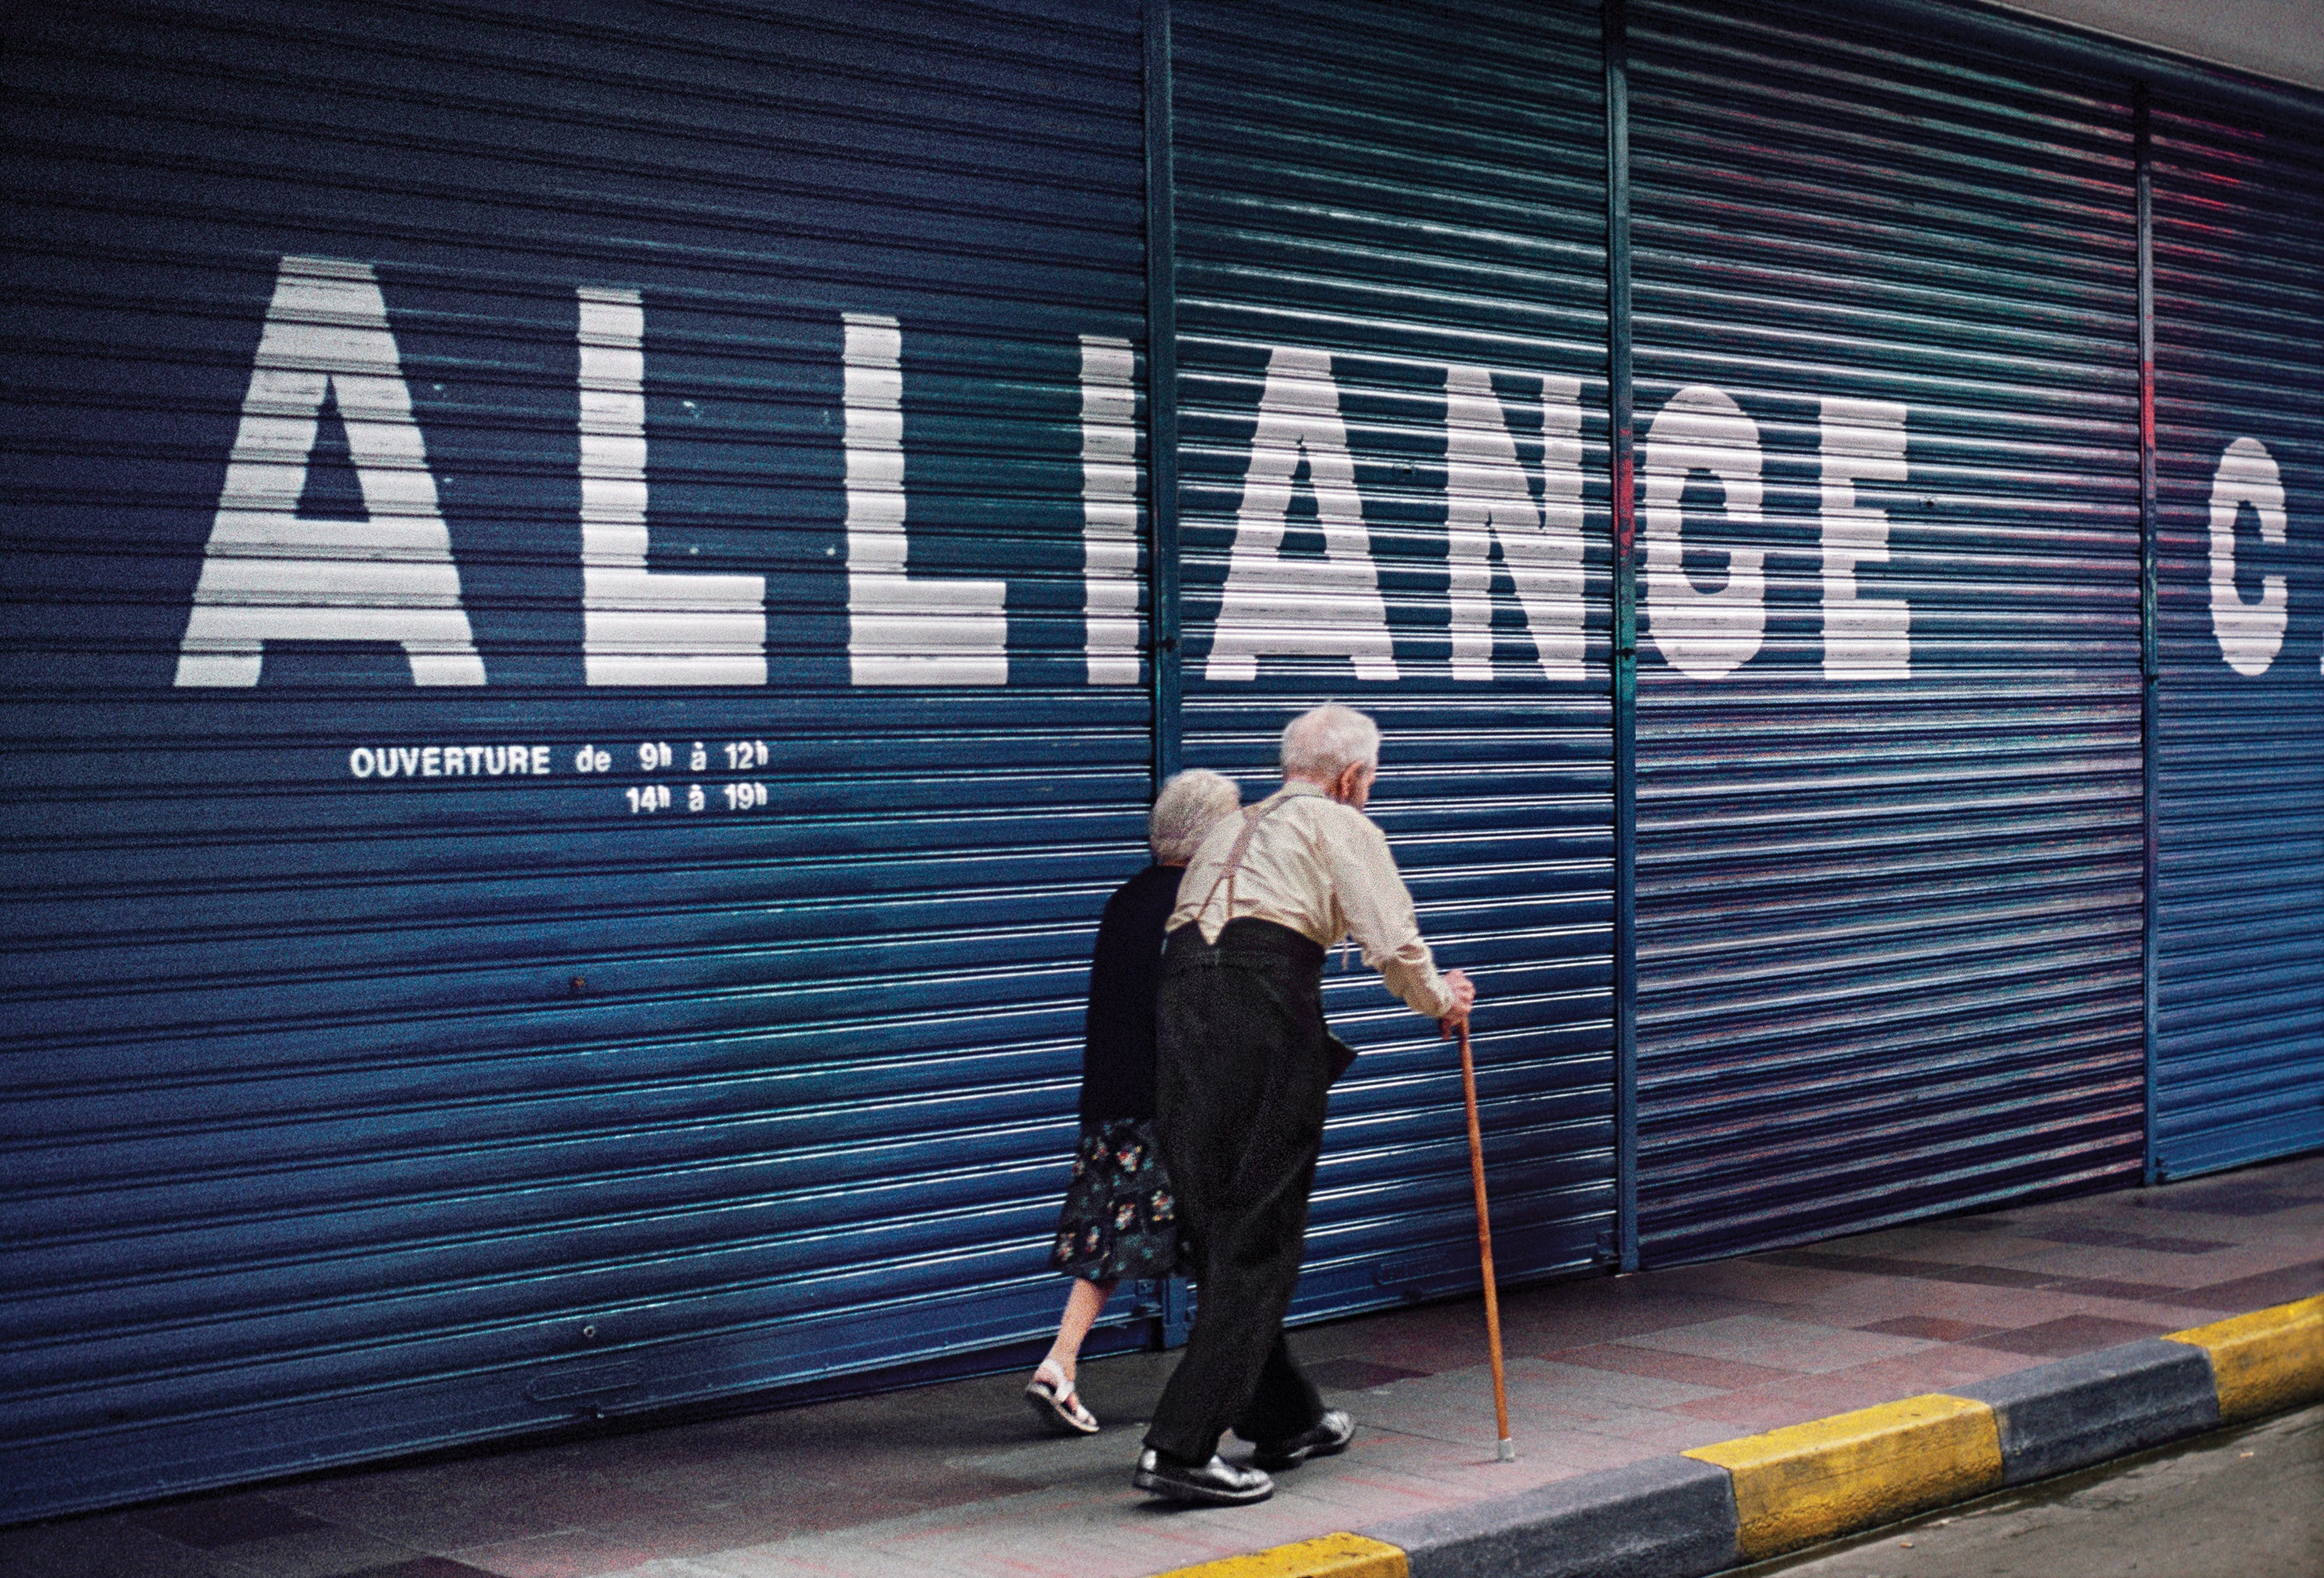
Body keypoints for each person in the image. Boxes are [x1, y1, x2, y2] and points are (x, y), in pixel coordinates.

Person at [1132, 704, 1476, 1506]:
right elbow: (1392, 943)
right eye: (1372, 778)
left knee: (1226, 1228)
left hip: (1180, 1013)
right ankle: (1179, 1448)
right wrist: (1442, 1003)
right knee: (1261, 1238)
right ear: (1354, 776)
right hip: (1262, 1016)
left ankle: (1286, 1420)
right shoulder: (1344, 826)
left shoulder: (1227, 827)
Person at [1024, 768, 1244, 1435]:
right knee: (1226, 1243)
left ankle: (1059, 1364)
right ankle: (1223, 1393)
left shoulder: (1124, 901)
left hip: (1110, 1098)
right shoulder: (1199, 904)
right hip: (1171, 1105)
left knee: (1109, 1242)